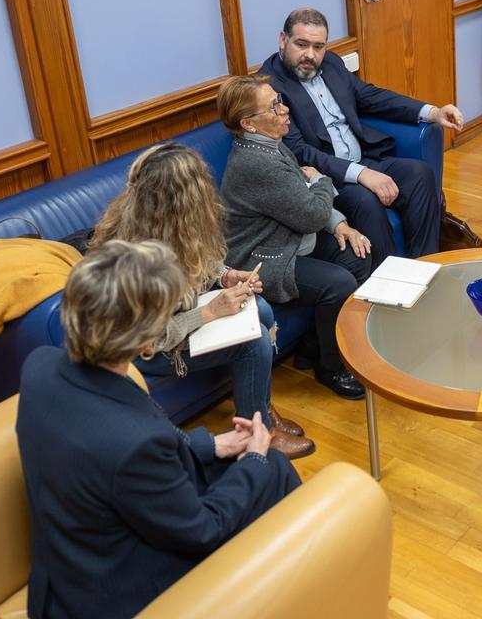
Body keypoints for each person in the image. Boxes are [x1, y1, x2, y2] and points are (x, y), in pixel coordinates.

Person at [17, 240, 300, 619]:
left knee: (260, 470)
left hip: (72, 565)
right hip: (119, 592)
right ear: (148, 340)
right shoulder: (135, 445)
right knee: (272, 470)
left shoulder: (39, 367)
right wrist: (254, 459)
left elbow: (121, 461)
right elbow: (202, 529)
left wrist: (214, 444)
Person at [90, 143, 314, 459]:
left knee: (260, 309)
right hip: (139, 350)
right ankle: (256, 435)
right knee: (255, 342)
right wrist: (210, 311)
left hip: (175, 319)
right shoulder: (136, 260)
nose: (208, 196)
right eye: (200, 190)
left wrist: (226, 276)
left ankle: (261, 410)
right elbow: (150, 340)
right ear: (179, 202)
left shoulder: (169, 227)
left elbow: (199, 263)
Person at [260, 7, 463, 265]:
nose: (310, 55)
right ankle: (390, 285)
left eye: (318, 46)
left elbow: (369, 96)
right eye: (301, 44)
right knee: (365, 200)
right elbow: (299, 151)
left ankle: (426, 266)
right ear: (282, 40)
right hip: (325, 179)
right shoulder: (269, 87)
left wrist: (431, 112)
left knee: (420, 174)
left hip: (364, 157)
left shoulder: (331, 63)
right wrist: (361, 174)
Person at [218, 73, 372, 400]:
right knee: (339, 283)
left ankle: (312, 347)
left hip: (290, 238)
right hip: (261, 260)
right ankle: (332, 368)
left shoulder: (270, 144)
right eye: (274, 107)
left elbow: (303, 198)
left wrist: (339, 223)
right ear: (248, 123)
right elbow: (312, 206)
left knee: (355, 254)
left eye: (279, 101)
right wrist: (322, 181)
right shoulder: (256, 163)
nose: (285, 110)